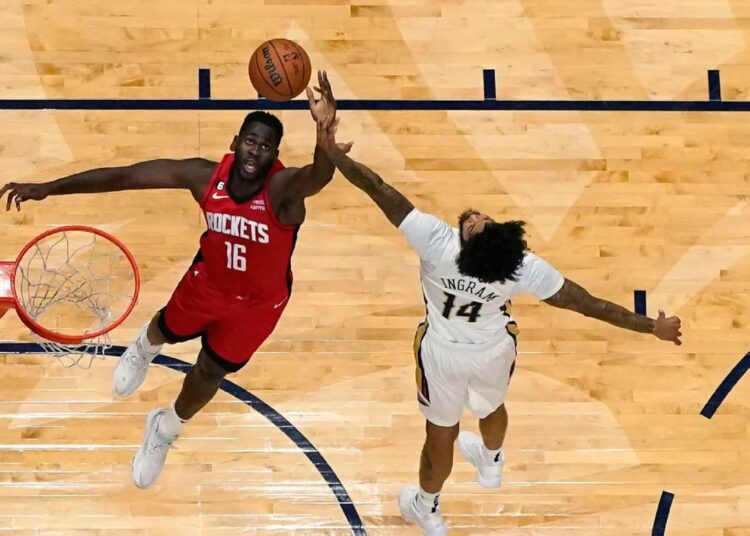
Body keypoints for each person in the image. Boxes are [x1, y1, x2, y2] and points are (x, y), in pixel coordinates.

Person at [315, 119, 682, 536]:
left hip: (442, 355)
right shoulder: (521, 267)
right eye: (482, 222)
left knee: (441, 433)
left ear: (468, 247)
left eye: (477, 225)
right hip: (492, 351)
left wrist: (332, 151)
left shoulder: (438, 242)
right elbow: (590, 305)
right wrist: (653, 326)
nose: (476, 217)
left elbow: (379, 189)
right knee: (491, 406)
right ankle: (490, 465)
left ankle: (427, 509)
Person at [0, 71, 341, 490]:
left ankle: (165, 428)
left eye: (267, 146)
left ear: (274, 155)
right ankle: (143, 348)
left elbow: (319, 177)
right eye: (250, 140)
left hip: (257, 306)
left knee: (209, 374)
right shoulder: (203, 177)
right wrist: (49, 188)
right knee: (167, 328)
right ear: (235, 144)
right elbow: (125, 176)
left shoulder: (282, 191)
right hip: (207, 284)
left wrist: (325, 133)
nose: (256, 150)